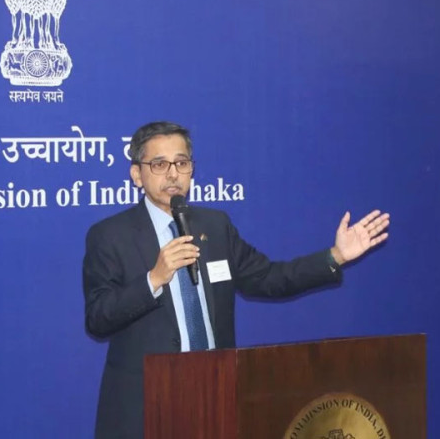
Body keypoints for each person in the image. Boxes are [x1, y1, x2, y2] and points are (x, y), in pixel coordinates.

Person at [82, 121, 390, 438]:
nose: (173, 174)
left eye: (182, 163)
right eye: (159, 164)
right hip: (145, 403)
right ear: (137, 174)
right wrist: (154, 279)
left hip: (214, 394)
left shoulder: (214, 226)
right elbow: (98, 318)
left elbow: (270, 278)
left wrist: (335, 256)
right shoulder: (110, 236)